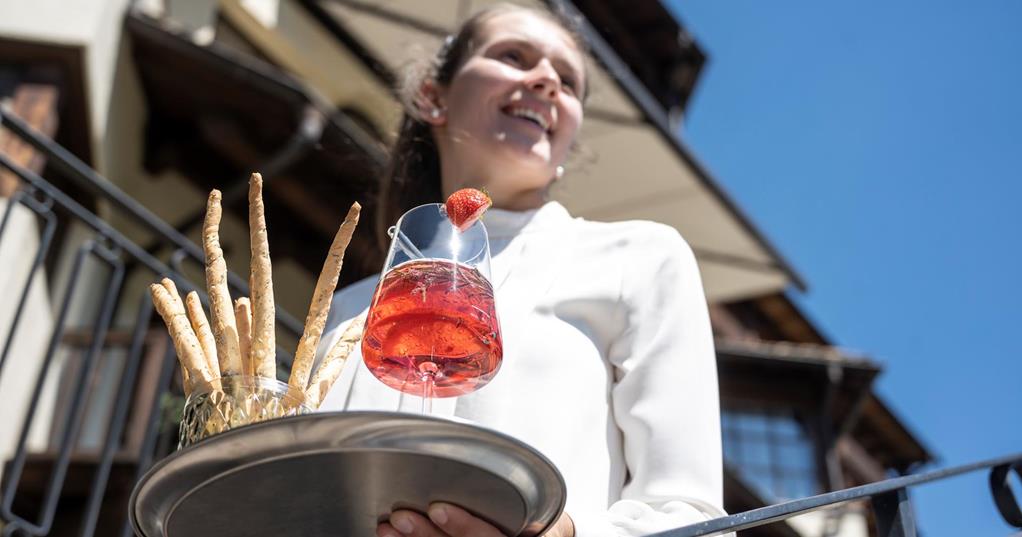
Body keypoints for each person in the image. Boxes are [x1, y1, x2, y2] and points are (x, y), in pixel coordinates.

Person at [317, 4, 727, 536]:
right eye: (514, 56)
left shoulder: (640, 261)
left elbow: (693, 518)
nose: (547, 81)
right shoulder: (346, 315)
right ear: (433, 97)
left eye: (569, 82)